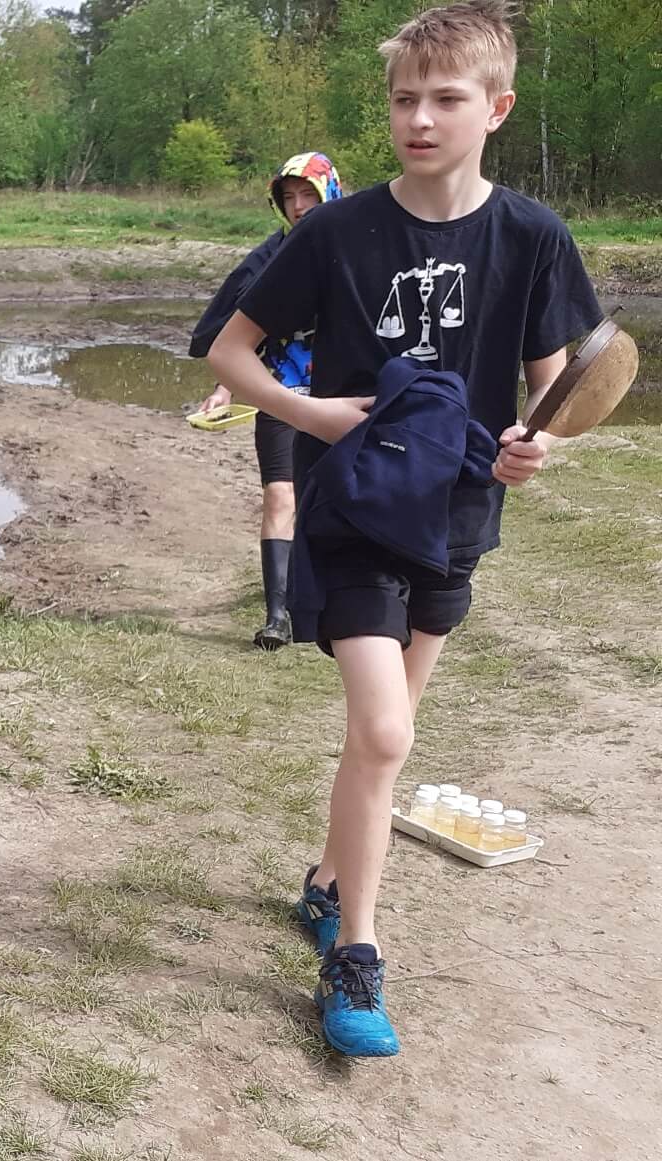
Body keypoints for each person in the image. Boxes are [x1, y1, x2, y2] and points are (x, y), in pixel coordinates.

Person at [207, 0, 602, 1057]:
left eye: (445, 98)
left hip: (460, 514)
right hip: (353, 511)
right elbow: (230, 351)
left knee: (375, 749)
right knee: (385, 733)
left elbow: (553, 373)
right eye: (402, 99)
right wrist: (312, 414)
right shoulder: (338, 231)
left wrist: (537, 439)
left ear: (498, 107)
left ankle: (327, 881)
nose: (419, 118)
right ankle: (358, 956)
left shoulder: (532, 236)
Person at [190, 152, 345, 649]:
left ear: (330, 193)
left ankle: (346, 604)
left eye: (309, 195)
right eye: (289, 197)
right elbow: (234, 335)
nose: (299, 206)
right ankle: (278, 616)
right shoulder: (266, 261)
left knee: (345, 498)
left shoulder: (363, 250)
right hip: (278, 393)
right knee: (281, 495)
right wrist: (224, 387)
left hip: (345, 399)